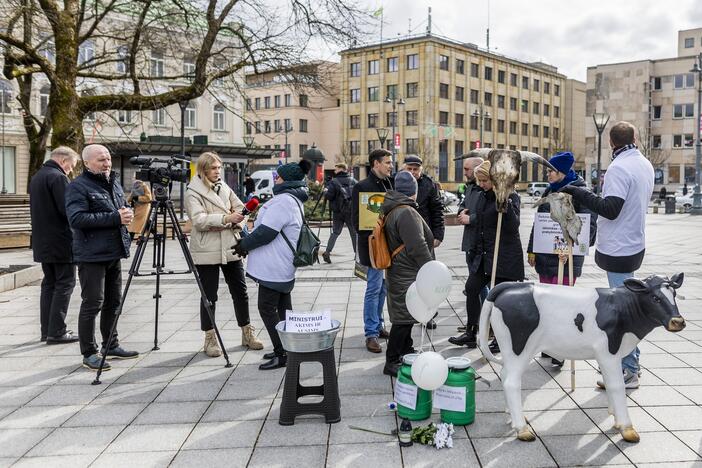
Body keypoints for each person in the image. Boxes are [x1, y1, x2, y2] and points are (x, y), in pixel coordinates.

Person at [559, 121, 654, 389]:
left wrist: (580, 192)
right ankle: (631, 364)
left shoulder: (618, 167)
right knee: (627, 303)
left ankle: (630, 370)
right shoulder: (643, 163)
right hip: (634, 243)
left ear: (611, 143)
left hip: (619, 247)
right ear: (634, 138)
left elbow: (610, 208)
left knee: (623, 311)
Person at [65, 144, 139, 371]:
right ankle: (89, 352)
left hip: (113, 252)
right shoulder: (78, 187)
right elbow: (77, 219)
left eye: (108, 159)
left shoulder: (113, 182)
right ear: (87, 163)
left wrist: (127, 212)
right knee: (93, 303)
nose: (107, 163)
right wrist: (115, 217)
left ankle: (111, 344)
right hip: (91, 255)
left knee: (113, 302)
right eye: (101, 160)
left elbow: (119, 210)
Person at [185, 152, 263, 358]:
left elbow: (241, 209)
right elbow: (198, 220)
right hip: (207, 249)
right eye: (213, 168)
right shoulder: (193, 191)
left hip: (230, 245)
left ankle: (247, 332)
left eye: (219, 168)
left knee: (241, 291)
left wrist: (237, 220)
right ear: (203, 170)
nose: (217, 172)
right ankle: (209, 338)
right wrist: (227, 217)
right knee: (209, 296)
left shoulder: (224, 187)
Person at [236, 160, 312, 370]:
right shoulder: (293, 199)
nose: (274, 179)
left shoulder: (285, 201)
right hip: (281, 264)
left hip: (275, 266)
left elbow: (266, 232)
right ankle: (287, 348)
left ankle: (282, 353)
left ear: (286, 180)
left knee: (267, 308)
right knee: (283, 308)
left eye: (277, 176)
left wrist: (244, 244)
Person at [526, 151, 597, 366]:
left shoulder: (582, 193)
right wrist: (532, 249)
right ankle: (550, 345)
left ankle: (563, 348)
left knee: (563, 306)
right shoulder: (550, 190)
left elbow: (589, 227)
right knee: (547, 305)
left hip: (567, 261)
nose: (547, 174)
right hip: (546, 258)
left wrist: (573, 246)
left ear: (562, 172)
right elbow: (539, 224)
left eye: (551, 171)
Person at [448, 160, 524, 351]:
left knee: (499, 298)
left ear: (494, 179)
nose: (481, 184)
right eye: (480, 180)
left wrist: (503, 202)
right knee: (471, 288)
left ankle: (500, 337)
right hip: (484, 254)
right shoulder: (482, 195)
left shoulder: (510, 196)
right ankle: (471, 332)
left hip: (503, 256)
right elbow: (479, 222)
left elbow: (513, 225)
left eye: (484, 180)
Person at [381, 172, 434, 376]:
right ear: (414, 191)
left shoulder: (394, 208)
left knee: (407, 314)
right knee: (403, 318)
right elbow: (417, 246)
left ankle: (406, 349)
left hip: (399, 270)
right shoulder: (406, 212)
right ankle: (392, 359)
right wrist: (430, 270)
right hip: (406, 272)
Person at [29, 146, 80, 344]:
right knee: (65, 283)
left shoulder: (38, 176)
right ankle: (57, 330)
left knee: (49, 285)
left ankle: (47, 330)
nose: (71, 170)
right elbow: (67, 210)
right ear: (63, 160)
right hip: (61, 241)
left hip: (43, 241)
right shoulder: (58, 177)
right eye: (72, 166)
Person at [352, 149, 394, 353]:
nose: (390, 166)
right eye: (387, 162)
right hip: (371, 245)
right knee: (374, 288)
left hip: (388, 245)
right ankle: (371, 334)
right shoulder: (361, 187)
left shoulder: (390, 183)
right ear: (375, 164)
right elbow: (356, 222)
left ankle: (379, 325)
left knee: (383, 288)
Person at [451, 156, 486, 339]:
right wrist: (461, 212)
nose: (464, 173)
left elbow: (489, 215)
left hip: (482, 246)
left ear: (478, 169)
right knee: (474, 287)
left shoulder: (485, 188)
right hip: (470, 243)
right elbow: (463, 207)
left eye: (467, 169)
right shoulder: (470, 187)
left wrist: (470, 218)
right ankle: (475, 322)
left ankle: (482, 324)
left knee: (479, 287)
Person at [402, 155, 445, 246]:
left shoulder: (429, 184)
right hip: (401, 233)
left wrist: (438, 235)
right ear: (403, 169)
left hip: (423, 233)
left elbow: (437, 210)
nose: (412, 172)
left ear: (420, 170)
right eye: (409, 169)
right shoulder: (395, 181)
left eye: (415, 169)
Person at [321, 163, 357, 263]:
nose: (334, 171)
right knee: (353, 233)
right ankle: (357, 254)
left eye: (336, 169)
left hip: (338, 212)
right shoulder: (353, 181)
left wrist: (325, 191)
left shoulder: (334, 182)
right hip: (350, 211)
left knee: (336, 232)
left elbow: (329, 196)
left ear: (341, 169)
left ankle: (327, 252)